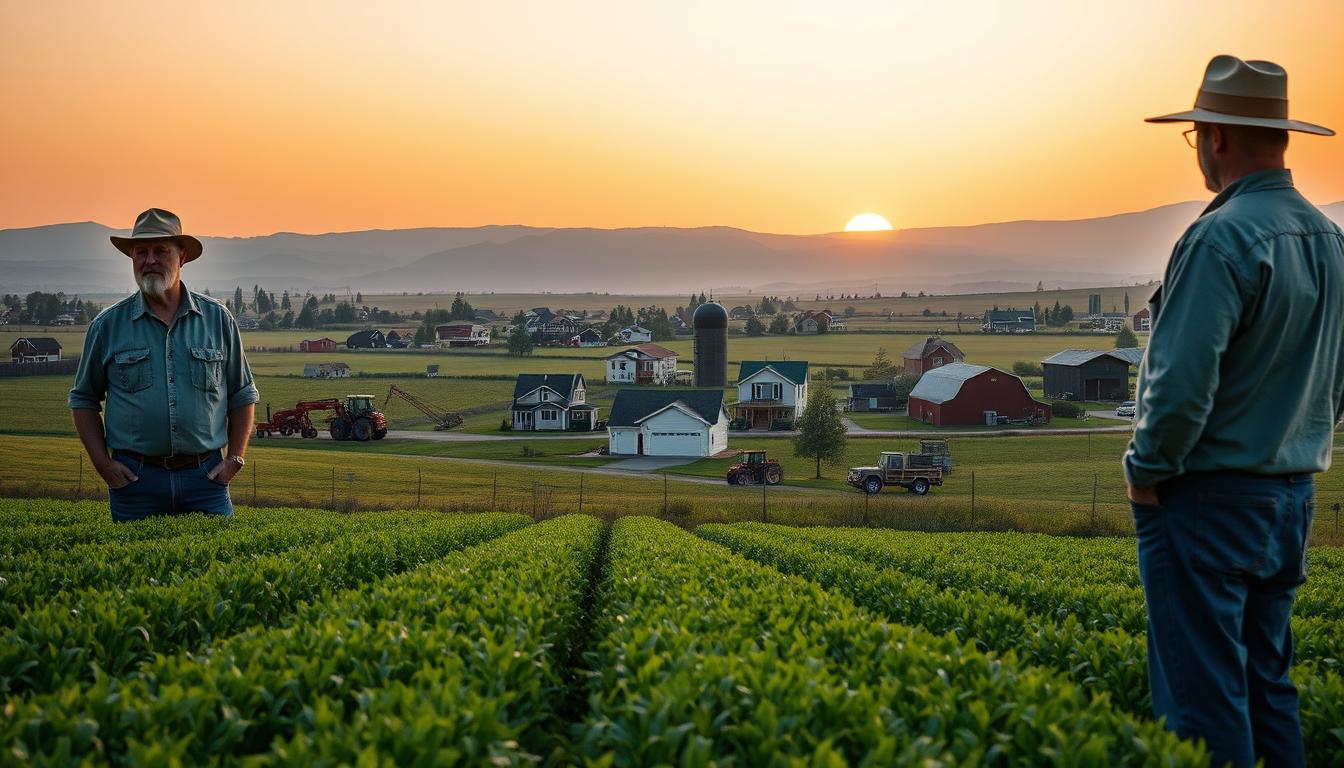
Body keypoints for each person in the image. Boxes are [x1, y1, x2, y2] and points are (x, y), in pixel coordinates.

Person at [1125, 55, 1344, 767]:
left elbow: (1181, 386)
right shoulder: (1331, 242)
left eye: (1195, 137)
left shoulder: (1220, 238)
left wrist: (1145, 471)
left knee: (1201, 704)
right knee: (1267, 686)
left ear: (1215, 137)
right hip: (1292, 497)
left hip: (1208, 499)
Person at [69, 208, 258, 522]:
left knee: (220, 568)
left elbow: (242, 393)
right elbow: (83, 399)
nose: (150, 260)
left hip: (206, 478)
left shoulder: (217, 319)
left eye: (161, 251)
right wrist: (104, 465)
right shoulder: (108, 325)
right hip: (135, 482)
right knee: (133, 570)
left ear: (182, 256)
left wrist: (235, 458)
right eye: (140, 252)